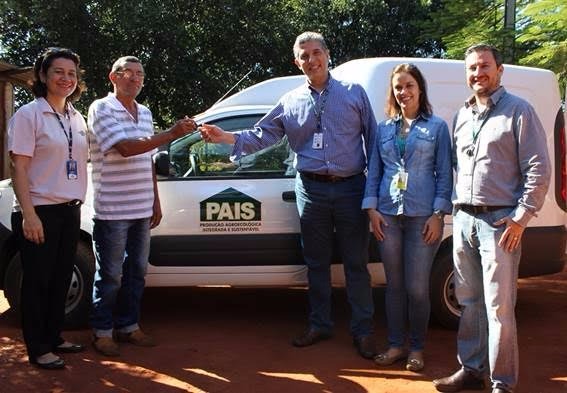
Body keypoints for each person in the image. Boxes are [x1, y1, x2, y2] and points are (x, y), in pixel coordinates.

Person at [200, 31, 378, 359]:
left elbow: (375, 143)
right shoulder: (290, 100)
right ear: (297, 62)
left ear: (327, 54)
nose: (311, 60)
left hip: (352, 188)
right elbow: (261, 135)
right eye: (304, 56)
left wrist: (372, 194)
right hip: (310, 190)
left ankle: (363, 331)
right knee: (316, 263)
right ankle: (320, 324)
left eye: (315, 52)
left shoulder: (354, 93)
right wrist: (226, 137)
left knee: (356, 263)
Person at [433, 44, 551, 393]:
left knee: (499, 308)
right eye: (471, 68)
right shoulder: (463, 115)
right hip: (464, 220)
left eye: (484, 66)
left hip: (500, 224)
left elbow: (538, 169)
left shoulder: (519, 111)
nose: (477, 73)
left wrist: (520, 219)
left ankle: (502, 383)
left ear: (500, 70)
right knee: (469, 302)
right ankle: (471, 370)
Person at [88, 56, 197, 356]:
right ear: (114, 77)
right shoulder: (101, 108)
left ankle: (129, 326)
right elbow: (125, 149)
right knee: (110, 274)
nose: (135, 79)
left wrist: (155, 200)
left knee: (137, 271)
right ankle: (102, 331)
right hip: (112, 209)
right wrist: (172, 134)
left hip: (140, 208)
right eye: (129, 73)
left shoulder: (145, 112)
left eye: (140, 74)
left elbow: (146, 157)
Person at [363, 63, 452, 372]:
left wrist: (439, 214)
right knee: (394, 286)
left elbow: (444, 174)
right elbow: (374, 170)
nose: (404, 92)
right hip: (388, 216)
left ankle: (417, 347)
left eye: (409, 85)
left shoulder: (437, 127)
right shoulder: (383, 129)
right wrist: (372, 208)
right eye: (398, 87)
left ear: (420, 89)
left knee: (416, 288)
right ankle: (395, 345)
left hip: (422, 217)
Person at [7, 47, 88, 369]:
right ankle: (38, 348)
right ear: (43, 75)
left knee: (59, 279)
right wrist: (29, 215)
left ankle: (55, 337)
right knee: (38, 282)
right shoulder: (28, 115)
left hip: (70, 209)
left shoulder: (75, 116)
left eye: (71, 73)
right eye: (58, 72)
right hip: (39, 210)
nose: (66, 78)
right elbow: (19, 169)